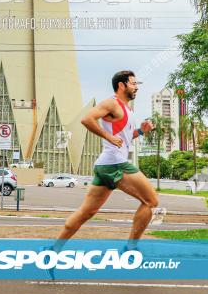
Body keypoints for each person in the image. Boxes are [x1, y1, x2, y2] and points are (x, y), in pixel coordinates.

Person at [57, 70, 157, 245]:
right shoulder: (112, 103)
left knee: (86, 212)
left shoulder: (127, 109)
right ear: (121, 85)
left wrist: (141, 131)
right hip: (115, 163)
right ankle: (131, 248)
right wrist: (108, 137)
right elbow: (87, 119)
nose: (136, 88)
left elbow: (123, 137)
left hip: (105, 165)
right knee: (150, 201)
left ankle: (53, 249)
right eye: (133, 84)